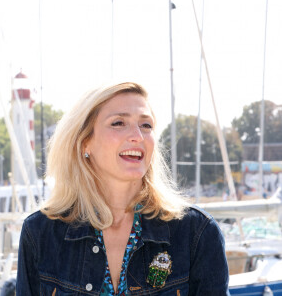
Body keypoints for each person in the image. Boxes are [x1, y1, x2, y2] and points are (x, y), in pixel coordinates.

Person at [16, 82, 230, 295]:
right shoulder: (40, 234)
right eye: (119, 123)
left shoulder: (197, 232)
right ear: (84, 143)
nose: (137, 135)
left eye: (146, 125)